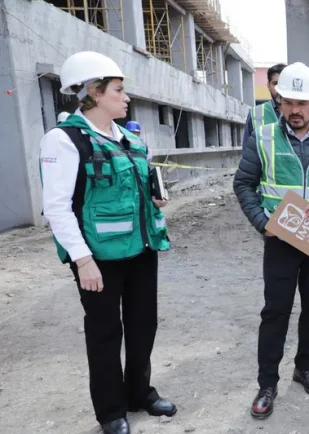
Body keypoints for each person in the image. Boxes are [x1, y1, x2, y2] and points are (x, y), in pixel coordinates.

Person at [39, 51, 174, 434]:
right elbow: (57, 208)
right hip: (98, 258)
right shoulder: (64, 140)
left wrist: (154, 197)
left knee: (143, 325)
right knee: (104, 333)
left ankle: (139, 393)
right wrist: (82, 261)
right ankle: (112, 411)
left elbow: (138, 186)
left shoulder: (128, 136)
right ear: (95, 92)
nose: (126, 98)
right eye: (118, 90)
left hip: (142, 250)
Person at [233, 62, 309, 420]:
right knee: (275, 311)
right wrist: (262, 223)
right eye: (289, 102)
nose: (296, 110)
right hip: (281, 241)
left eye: (303, 104)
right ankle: (267, 383)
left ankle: (304, 368)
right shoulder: (264, 138)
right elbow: (243, 184)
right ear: (279, 100)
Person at [242, 63, 286, 144]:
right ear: (268, 85)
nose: (279, 89)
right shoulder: (255, 114)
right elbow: (247, 152)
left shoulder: (303, 112)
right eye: (275, 83)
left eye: (283, 84)